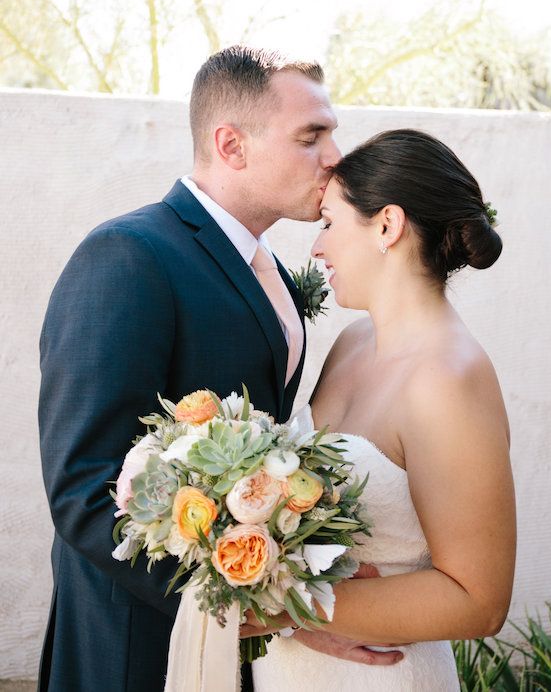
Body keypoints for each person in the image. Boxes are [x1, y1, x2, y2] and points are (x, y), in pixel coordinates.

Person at [39, 45, 399, 692]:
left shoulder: (274, 277)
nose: (334, 156)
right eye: (311, 135)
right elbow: (84, 491)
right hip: (136, 650)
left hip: (237, 656)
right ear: (231, 144)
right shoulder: (128, 257)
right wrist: (265, 608)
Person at [251, 128, 516, 692]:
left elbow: (479, 600)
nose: (317, 248)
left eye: (328, 223)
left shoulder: (449, 378)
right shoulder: (353, 342)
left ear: (387, 226)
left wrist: (282, 606)